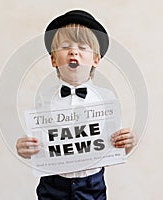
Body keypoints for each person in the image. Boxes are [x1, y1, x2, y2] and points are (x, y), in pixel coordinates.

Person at [16, 10, 136, 200]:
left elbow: (113, 146)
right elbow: (40, 142)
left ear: (96, 59)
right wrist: (24, 147)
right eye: (65, 46)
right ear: (53, 59)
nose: (74, 51)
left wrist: (127, 144)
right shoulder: (44, 99)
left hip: (92, 184)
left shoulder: (106, 98)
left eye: (83, 47)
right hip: (53, 184)